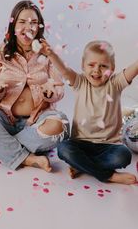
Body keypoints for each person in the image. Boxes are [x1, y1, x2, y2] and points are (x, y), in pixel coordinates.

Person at [0, 0, 69, 172]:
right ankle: (27, 158)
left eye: (34, 22)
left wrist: (50, 93)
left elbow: (59, 88)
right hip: (4, 118)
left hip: (37, 121)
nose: (29, 27)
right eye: (22, 22)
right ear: (13, 25)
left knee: (59, 125)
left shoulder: (48, 54)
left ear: (39, 26)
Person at [40, 39, 137, 184]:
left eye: (103, 66)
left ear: (113, 67)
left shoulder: (115, 84)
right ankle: (107, 175)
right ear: (83, 66)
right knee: (63, 149)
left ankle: (83, 166)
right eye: (91, 65)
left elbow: (132, 70)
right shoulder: (80, 82)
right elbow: (64, 70)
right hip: (80, 143)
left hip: (108, 146)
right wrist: (51, 54)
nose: (97, 70)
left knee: (124, 156)